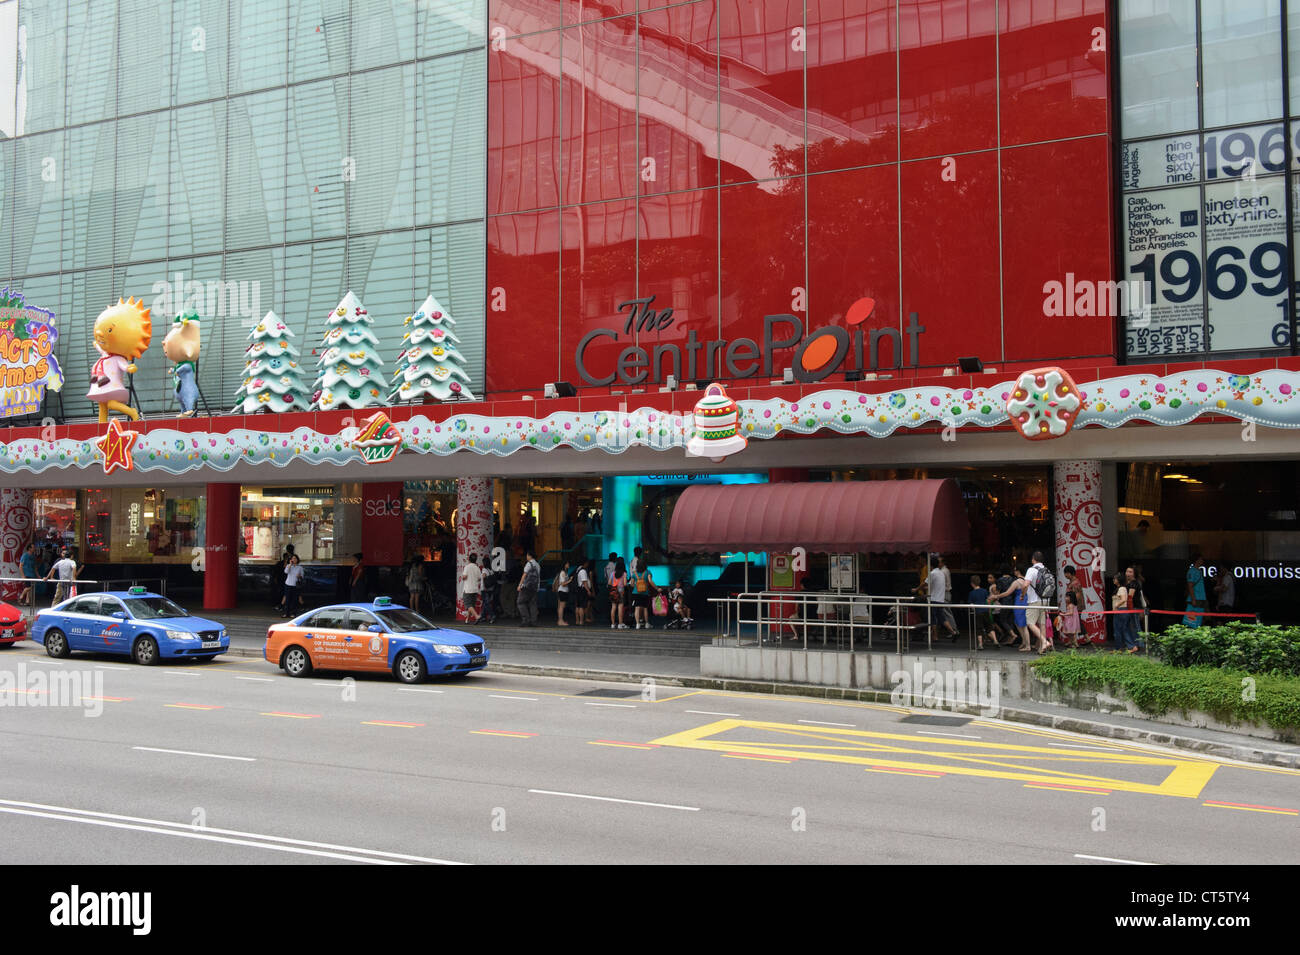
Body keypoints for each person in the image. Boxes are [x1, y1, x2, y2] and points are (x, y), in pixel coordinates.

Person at [990, 564, 1046, 653]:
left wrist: (996, 596)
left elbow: (1007, 593)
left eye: (1015, 570)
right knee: (1019, 623)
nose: (1014, 572)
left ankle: (1027, 645)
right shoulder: (1027, 580)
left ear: (1017, 571)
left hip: (1019, 601)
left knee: (1022, 625)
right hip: (1027, 601)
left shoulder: (1017, 582)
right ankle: (1024, 642)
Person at [966, 574, 993, 650]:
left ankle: (980, 644)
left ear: (972, 584)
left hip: (978, 612)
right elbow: (988, 600)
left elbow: (971, 604)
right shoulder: (984, 591)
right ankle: (996, 641)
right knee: (989, 626)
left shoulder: (971, 593)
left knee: (979, 628)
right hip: (985, 610)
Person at [1183, 552, 1207, 628]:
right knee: (1191, 620)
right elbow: (1190, 586)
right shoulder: (1192, 571)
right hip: (1195, 599)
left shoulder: (1199, 571)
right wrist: (1193, 599)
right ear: (1196, 560)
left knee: (1199, 619)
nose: (1202, 561)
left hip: (1201, 598)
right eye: (1201, 559)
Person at [516, 551, 540, 626]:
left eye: (527, 555)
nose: (526, 557)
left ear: (529, 556)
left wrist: (520, 585)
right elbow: (538, 577)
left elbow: (524, 575)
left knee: (520, 602)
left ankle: (526, 620)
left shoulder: (529, 564)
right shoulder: (538, 565)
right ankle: (534, 621)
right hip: (534, 587)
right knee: (533, 604)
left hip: (526, 587)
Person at [630, 562, 656, 630]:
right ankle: (647, 623)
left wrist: (636, 586)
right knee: (645, 608)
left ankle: (638, 624)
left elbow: (631, 584)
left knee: (637, 608)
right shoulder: (648, 572)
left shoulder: (634, 573)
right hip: (645, 593)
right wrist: (657, 588)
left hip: (636, 593)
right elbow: (650, 581)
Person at [1111, 572, 1134, 650]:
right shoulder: (1120, 588)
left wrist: (1116, 605)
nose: (1113, 580)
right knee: (1119, 630)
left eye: (1115, 578)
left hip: (1121, 611)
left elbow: (1124, 600)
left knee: (1123, 630)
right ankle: (1119, 648)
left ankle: (1132, 646)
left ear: (1119, 580)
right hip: (1119, 611)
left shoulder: (1122, 588)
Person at [461, 553, 483, 623]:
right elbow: (480, 578)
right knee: (471, 605)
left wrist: (462, 577)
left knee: (468, 605)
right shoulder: (477, 568)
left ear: (469, 559)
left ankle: (477, 616)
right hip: (475, 589)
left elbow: (464, 577)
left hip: (468, 589)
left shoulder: (467, 567)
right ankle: (467, 619)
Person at [609, 556, 628, 630]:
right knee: (620, 608)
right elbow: (625, 584)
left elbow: (609, 583)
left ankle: (613, 624)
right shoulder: (624, 573)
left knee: (613, 607)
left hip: (613, 592)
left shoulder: (613, 573)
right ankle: (620, 624)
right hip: (621, 592)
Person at [554, 560, 571, 626]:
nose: (568, 564)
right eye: (567, 563)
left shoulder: (564, 572)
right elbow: (563, 583)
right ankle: (560, 621)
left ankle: (560, 620)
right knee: (561, 607)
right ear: (564, 565)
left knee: (560, 606)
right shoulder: (563, 573)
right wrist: (570, 580)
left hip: (562, 591)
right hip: (562, 591)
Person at [574, 560, 590, 625]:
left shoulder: (578, 569)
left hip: (578, 589)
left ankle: (577, 621)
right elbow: (584, 582)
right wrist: (588, 590)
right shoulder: (583, 571)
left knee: (577, 606)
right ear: (585, 563)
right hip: (582, 589)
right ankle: (581, 621)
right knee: (581, 606)